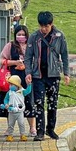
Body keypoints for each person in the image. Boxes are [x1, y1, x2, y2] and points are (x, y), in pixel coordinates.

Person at [24, 11, 70, 141]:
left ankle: (50, 129)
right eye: (41, 26)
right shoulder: (34, 37)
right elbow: (28, 56)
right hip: (38, 75)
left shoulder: (59, 36)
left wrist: (66, 73)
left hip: (53, 75)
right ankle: (40, 131)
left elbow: (65, 55)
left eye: (46, 26)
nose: (43, 29)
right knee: (38, 103)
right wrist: (28, 72)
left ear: (51, 24)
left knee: (52, 103)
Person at [0, 25, 36, 136]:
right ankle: (10, 128)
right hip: (13, 78)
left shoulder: (32, 45)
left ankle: (32, 128)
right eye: (19, 34)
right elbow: (2, 60)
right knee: (10, 101)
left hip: (27, 77)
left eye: (23, 34)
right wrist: (15, 62)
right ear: (15, 35)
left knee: (29, 101)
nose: (21, 37)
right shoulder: (10, 46)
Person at [0, 75, 32, 142]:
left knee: (21, 123)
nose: (10, 86)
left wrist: (29, 85)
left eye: (12, 84)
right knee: (11, 124)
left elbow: (28, 91)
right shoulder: (9, 92)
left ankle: (22, 135)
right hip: (11, 112)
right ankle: (10, 135)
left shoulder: (22, 91)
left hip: (20, 112)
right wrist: (6, 104)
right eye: (10, 84)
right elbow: (6, 99)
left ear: (17, 84)